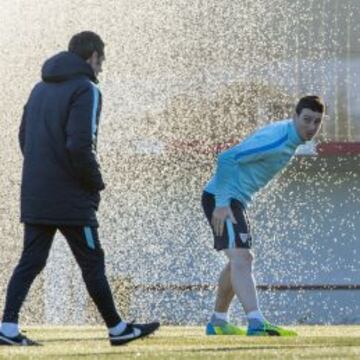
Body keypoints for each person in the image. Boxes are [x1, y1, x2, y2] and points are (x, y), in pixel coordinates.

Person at [0, 31, 159, 346]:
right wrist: (95, 184)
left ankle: (7, 329)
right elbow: (81, 144)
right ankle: (117, 329)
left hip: (36, 191)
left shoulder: (39, 88)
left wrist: (43, 172)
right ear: (93, 56)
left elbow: (23, 138)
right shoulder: (87, 89)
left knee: (31, 259)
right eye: (102, 61)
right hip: (71, 196)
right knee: (92, 260)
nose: (102, 68)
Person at [202, 96, 325, 336]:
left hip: (233, 199)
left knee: (239, 259)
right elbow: (227, 157)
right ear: (295, 116)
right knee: (243, 258)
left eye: (317, 122)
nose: (311, 127)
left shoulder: (290, 136)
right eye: (307, 120)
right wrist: (222, 203)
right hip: (223, 199)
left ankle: (218, 321)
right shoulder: (277, 139)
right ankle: (256, 323)